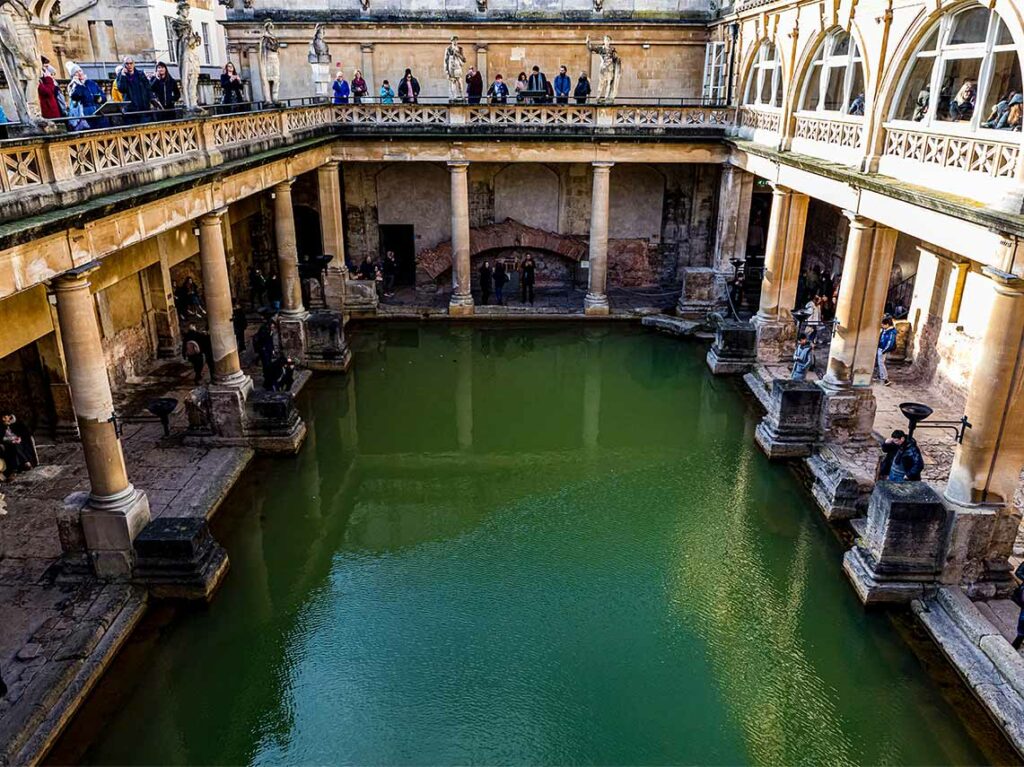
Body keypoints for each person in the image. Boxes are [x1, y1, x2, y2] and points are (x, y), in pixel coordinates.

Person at [117, 57, 154, 123]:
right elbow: (121, 89)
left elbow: (148, 88)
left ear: (134, 64)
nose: (129, 65)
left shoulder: (140, 74)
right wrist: (123, 75)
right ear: (124, 65)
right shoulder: (121, 76)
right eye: (127, 64)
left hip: (143, 109)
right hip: (131, 111)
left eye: (131, 63)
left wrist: (152, 100)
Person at [253, 319, 276, 385]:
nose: (273, 328)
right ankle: (267, 378)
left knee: (268, 363)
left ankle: (269, 377)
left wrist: (272, 350)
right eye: (272, 326)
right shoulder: (264, 331)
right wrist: (269, 334)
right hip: (264, 350)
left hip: (268, 350)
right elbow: (264, 340)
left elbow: (270, 341)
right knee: (266, 365)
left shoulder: (269, 331)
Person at [877, 315, 897, 386]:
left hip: (883, 349)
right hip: (881, 348)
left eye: (883, 325)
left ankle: (885, 379)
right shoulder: (885, 330)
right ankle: (881, 376)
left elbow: (890, 343)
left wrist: (883, 351)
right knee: (880, 363)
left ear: (887, 325)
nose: (882, 326)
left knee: (881, 363)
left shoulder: (891, 333)